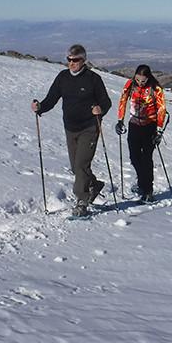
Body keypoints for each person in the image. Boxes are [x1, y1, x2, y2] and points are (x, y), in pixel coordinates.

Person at [32, 44, 112, 217]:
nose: (71, 63)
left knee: (81, 164)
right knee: (76, 168)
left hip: (90, 127)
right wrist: (40, 107)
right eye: (69, 59)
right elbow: (51, 98)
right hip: (70, 127)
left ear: (83, 60)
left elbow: (106, 102)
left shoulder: (93, 79)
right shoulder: (63, 77)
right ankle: (94, 184)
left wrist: (100, 109)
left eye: (75, 60)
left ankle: (82, 201)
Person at [115, 64, 167, 203]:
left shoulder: (155, 88)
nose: (140, 82)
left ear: (148, 78)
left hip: (150, 126)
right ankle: (142, 183)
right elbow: (123, 100)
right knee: (134, 157)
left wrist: (159, 130)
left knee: (146, 158)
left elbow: (161, 108)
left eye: (143, 81)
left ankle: (147, 190)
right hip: (134, 125)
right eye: (137, 79)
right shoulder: (130, 84)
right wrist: (120, 120)